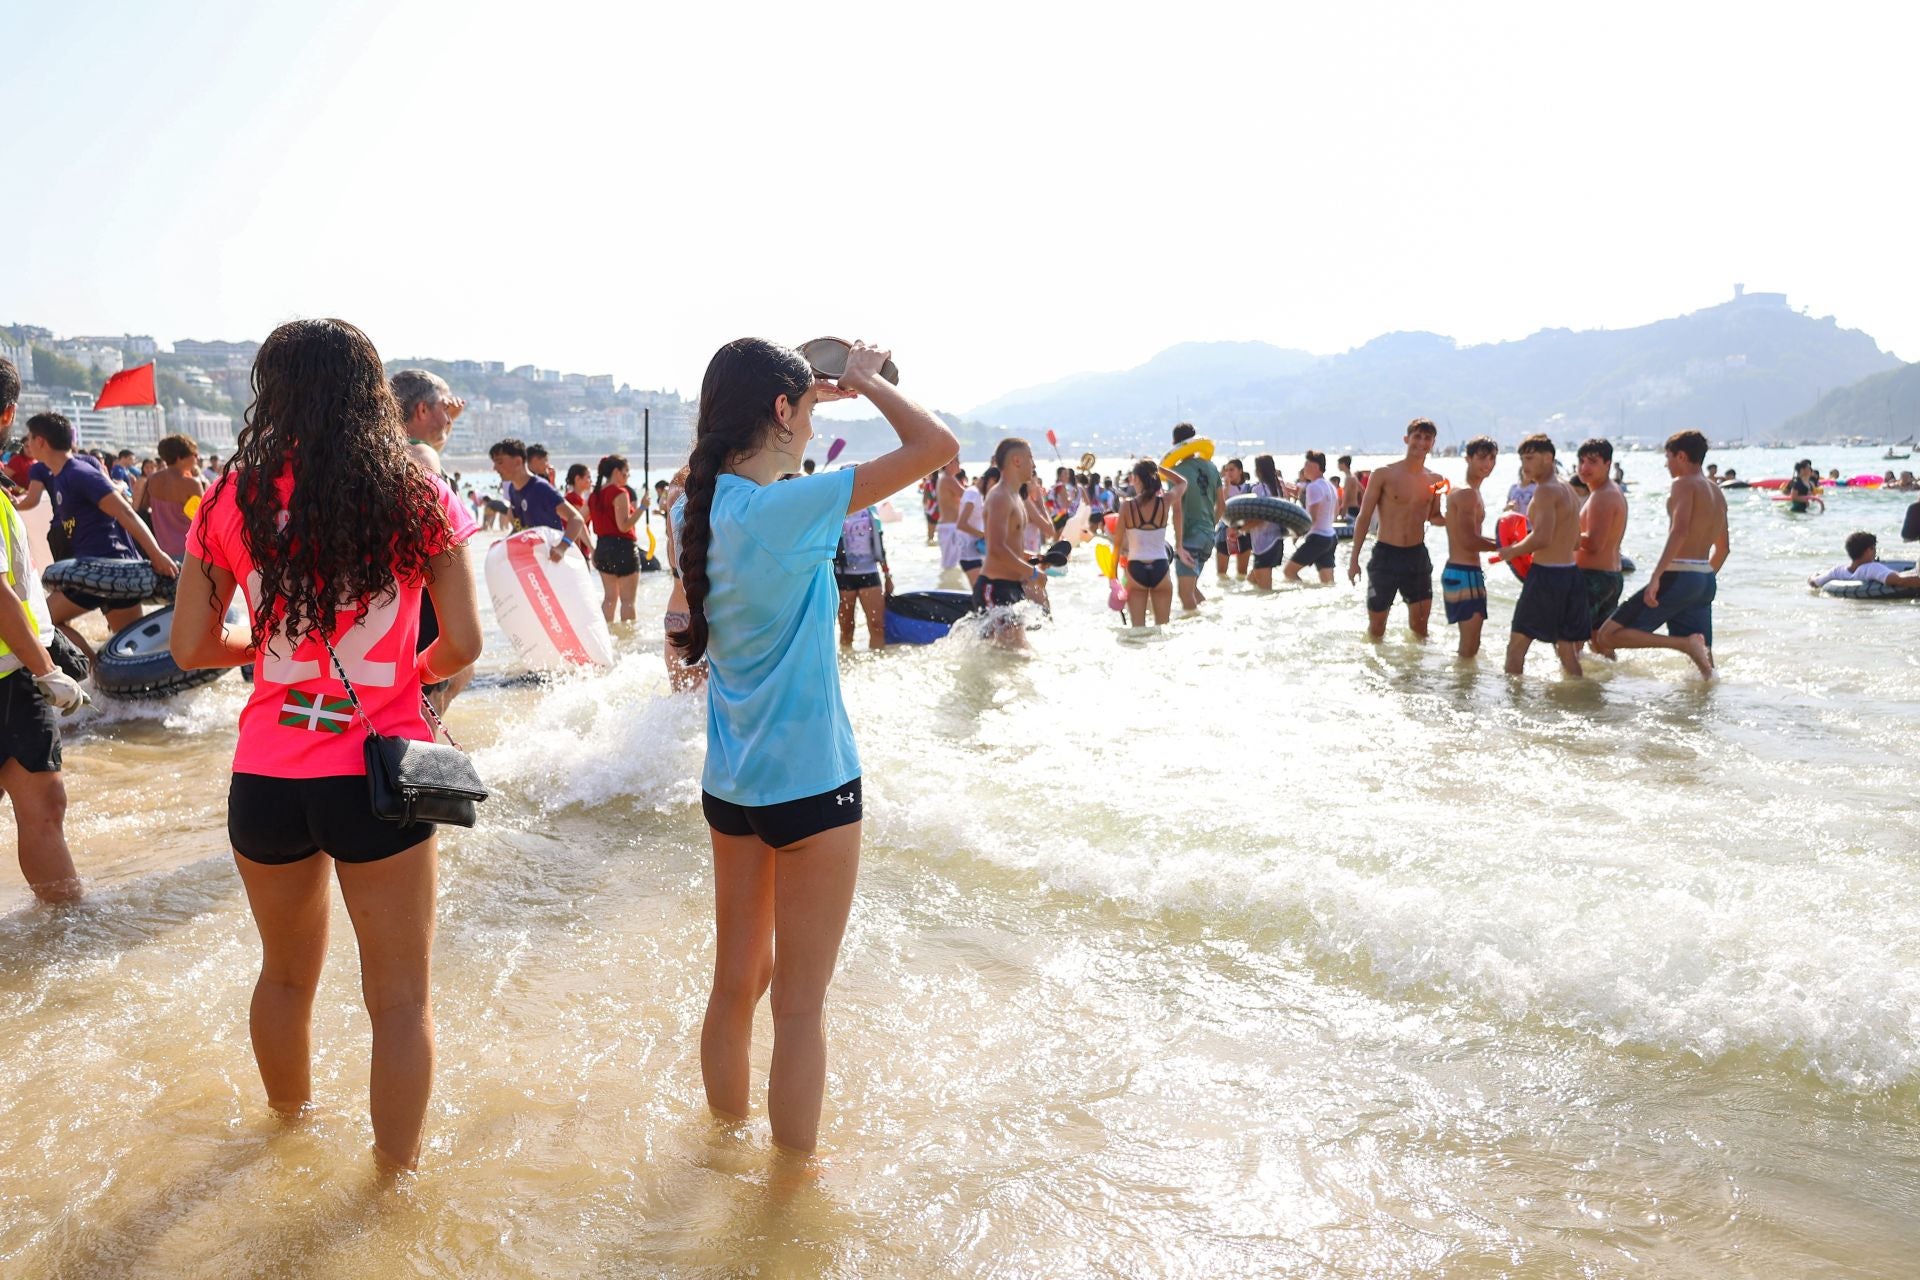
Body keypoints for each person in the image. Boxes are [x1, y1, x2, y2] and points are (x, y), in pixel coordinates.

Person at [169, 318, 484, 1171]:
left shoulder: (230, 499)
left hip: (267, 773)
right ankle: (391, 1191)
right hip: (378, 772)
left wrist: (266, 659)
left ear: (272, 393)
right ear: (372, 394)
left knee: (282, 977)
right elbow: (465, 643)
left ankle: (287, 1139)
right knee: (399, 1000)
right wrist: (406, 678)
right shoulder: (417, 493)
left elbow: (191, 647)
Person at [672, 337, 955, 1157]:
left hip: (732, 786)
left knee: (736, 986)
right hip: (813, 787)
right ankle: (788, 1200)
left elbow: (756, 457)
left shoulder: (703, 508)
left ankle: (724, 1149)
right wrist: (866, 382)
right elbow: (938, 449)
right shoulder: (788, 512)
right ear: (781, 412)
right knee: (799, 1007)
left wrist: (803, 401)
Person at [0, 357, 88, 903]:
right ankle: (68, 934)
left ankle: (64, 923)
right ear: (8, 413)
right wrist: (48, 670)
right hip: (16, 672)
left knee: (44, 806)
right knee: (44, 810)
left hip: (15, 673)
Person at [16, 412, 180, 660]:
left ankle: (94, 669)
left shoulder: (80, 473)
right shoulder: (60, 476)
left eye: (29, 438)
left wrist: (157, 554)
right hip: (93, 571)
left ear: (41, 441)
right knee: (129, 647)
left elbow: (125, 512)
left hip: (109, 567)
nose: (26, 443)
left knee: (44, 622)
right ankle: (105, 677)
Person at [1593, 430, 1724, 679]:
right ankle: (1707, 709)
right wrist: (1699, 580)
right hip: (1705, 578)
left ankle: (1683, 643)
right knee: (1705, 667)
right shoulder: (1716, 491)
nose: (1666, 464)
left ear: (1681, 456)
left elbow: (1680, 530)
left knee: (1608, 635)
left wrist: (1656, 576)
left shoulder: (1683, 484)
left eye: (1668, 457)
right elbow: (1724, 547)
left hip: (1680, 575)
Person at [393, 369, 473, 713]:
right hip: (425, 592)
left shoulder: (393, 451)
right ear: (422, 410)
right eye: (443, 405)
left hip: (404, 593)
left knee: (456, 678)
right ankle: (425, 765)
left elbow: (428, 445)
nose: (450, 412)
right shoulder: (421, 456)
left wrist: (445, 423)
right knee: (431, 697)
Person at [1494, 435, 1587, 676]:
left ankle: (1512, 707)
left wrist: (1511, 551)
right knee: (1566, 649)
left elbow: (1542, 537)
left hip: (1547, 576)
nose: (1525, 465)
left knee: (1516, 647)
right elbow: (1576, 542)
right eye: (1522, 459)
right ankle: (1583, 701)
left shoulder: (1545, 491)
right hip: (1571, 575)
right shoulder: (1567, 488)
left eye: (1530, 458)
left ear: (1548, 458)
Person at [1348, 418, 1444, 639]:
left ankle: (1415, 673)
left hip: (1417, 557)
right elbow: (1363, 517)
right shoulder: (1383, 473)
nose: (1421, 442)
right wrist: (1354, 561)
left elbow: (1435, 517)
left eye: (1427, 438)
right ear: (1406, 439)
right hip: (1385, 556)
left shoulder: (1436, 480)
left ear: (1433, 443)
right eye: (1417, 436)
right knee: (1377, 629)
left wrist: (1460, 517)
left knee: (1420, 629)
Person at [1440, 436, 1499, 658]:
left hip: (1461, 571)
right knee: (1469, 647)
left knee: (1470, 645)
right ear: (1468, 458)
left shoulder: (1467, 491)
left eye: (1492, 458)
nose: (1487, 464)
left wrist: (1509, 544)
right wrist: (1508, 547)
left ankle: (1463, 688)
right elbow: (1468, 540)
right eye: (1482, 458)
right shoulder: (1467, 494)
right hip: (1464, 573)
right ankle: (1460, 691)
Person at [975, 439, 1038, 645]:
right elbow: (996, 549)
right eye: (1030, 458)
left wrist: (1036, 558)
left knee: (1017, 657)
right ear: (1017, 460)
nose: (1034, 464)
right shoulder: (999, 497)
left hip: (1012, 586)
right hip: (994, 588)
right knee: (1006, 657)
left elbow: (1011, 547)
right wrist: (1034, 573)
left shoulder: (1015, 497)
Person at [1119, 459, 1192, 627]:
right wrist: (1158, 468)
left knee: (1137, 630)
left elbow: (1118, 544)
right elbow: (1182, 482)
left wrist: (1113, 576)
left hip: (1135, 566)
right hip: (1160, 565)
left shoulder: (1127, 506)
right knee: (1163, 629)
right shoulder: (1165, 501)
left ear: (1136, 479)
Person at [488, 437, 586, 557]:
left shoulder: (540, 488)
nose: (495, 468)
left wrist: (562, 547)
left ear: (518, 461)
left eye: (500, 462)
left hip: (553, 560)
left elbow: (576, 519)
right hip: (534, 559)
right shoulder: (513, 489)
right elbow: (520, 528)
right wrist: (506, 542)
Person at [1575, 438, 1629, 646]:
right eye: (1581, 461)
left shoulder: (1602, 496)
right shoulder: (1609, 491)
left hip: (1594, 579)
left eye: (1592, 462)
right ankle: (1609, 679)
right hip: (1610, 578)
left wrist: (1558, 534)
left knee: (1571, 641)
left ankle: (1573, 678)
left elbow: (1594, 543)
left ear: (1607, 464)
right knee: (1600, 645)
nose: (1584, 467)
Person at [660, 465, 705, 692]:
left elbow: (672, 559)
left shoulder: (677, 485)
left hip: (677, 613)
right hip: (708, 617)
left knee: (680, 700)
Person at [1168, 423, 1221, 613]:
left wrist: (1179, 545)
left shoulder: (1176, 472)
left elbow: (1178, 510)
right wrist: (1209, 528)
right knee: (1192, 589)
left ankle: (1200, 629)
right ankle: (1213, 617)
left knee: (1184, 594)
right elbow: (1221, 504)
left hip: (1190, 538)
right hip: (1208, 536)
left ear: (1175, 443)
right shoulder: (1212, 467)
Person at [589, 454, 641, 623]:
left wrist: (591, 549)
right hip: (623, 548)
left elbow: (579, 519)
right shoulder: (619, 492)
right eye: (626, 472)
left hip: (602, 547)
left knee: (609, 599)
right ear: (617, 472)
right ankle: (629, 641)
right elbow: (624, 526)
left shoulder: (594, 495)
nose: (627, 476)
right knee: (628, 602)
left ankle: (607, 636)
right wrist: (642, 508)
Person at [834, 499, 891, 650]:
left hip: (870, 572)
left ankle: (877, 666)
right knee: (846, 630)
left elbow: (880, 544)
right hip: (844, 575)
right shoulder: (836, 508)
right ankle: (848, 666)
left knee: (877, 625)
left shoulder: (871, 509)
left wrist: (887, 576)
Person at [143, 434, 207, 561]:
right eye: (194, 455)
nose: (197, 458)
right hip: (189, 550)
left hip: (161, 549)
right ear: (180, 458)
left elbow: (145, 506)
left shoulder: (153, 479)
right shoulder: (192, 483)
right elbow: (205, 516)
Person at [1284, 450, 1340, 586]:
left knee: (1289, 572)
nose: (1304, 470)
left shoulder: (1313, 487)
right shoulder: (1330, 486)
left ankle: (1306, 594)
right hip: (1331, 536)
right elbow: (1336, 511)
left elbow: (1312, 518)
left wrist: (1298, 532)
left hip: (1318, 537)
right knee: (1328, 584)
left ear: (1315, 467)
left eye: (1306, 466)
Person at [1808, 531, 1920, 589]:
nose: (1875, 552)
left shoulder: (1837, 571)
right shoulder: (1872, 568)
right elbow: (1899, 580)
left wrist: (1813, 576)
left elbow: (1814, 582)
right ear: (1868, 551)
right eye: (1874, 548)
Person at [1243, 455, 1288, 590]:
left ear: (1259, 470)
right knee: (1251, 580)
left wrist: (1241, 529)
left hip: (1263, 545)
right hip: (1277, 541)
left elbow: (1261, 518)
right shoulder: (1279, 488)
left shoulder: (1259, 489)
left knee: (1265, 592)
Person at [1215, 459, 1252, 581]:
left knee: (1242, 574)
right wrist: (1226, 487)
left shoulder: (1248, 488)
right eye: (1226, 470)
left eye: (1232, 470)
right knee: (1222, 575)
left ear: (1240, 471)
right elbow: (1220, 506)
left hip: (1244, 530)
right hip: (1224, 530)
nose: (1228, 473)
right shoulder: (1221, 487)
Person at [956, 467, 990, 587]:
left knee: (982, 590)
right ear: (991, 481)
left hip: (977, 549)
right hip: (967, 551)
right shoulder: (973, 492)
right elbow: (961, 523)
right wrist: (984, 535)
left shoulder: (979, 495)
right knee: (979, 591)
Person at [935, 458, 967, 577]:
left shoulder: (947, 478)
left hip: (949, 527)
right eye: (957, 461)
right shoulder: (947, 479)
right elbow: (967, 495)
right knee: (950, 566)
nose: (960, 464)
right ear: (949, 463)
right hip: (949, 527)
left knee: (951, 565)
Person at [1337, 455, 1360, 521]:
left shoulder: (1348, 478)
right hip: (1354, 508)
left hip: (1351, 510)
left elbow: (1346, 497)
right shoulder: (1353, 477)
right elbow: (1361, 490)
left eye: (1339, 464)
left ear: (1343, 464)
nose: (1338, 466)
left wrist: (1343, 513)